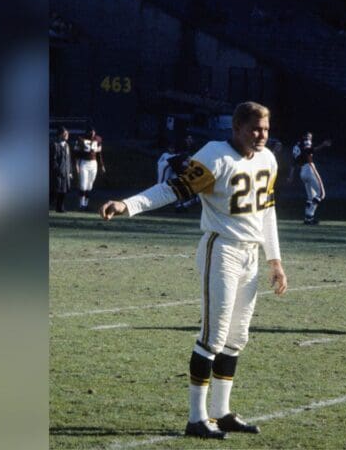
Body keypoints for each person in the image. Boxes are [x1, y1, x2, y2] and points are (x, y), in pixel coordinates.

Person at [99, 101, 288, 440]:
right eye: (255, 129)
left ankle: (221, 411)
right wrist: (128, 205)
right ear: (237, 129)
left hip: (250, 255)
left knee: (236, 338)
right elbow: (172, 189)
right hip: (223, 249)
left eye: (266, 129)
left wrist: (274, 259)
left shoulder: (268, 159)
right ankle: (196, 418)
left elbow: (267, 212)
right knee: (213, 337)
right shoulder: (215, 155)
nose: (262, 135)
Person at [289, 132, 332, 225]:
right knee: (321, 194)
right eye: (309, 137)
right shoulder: (306, 141)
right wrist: (323, 145)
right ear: (304, 136)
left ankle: (308, 219)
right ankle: (309, 215)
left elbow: (293, 162)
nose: (310, 139)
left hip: (302, 171)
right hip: (309, 168)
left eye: (311, 137)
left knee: (310, 197)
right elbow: (309, 151)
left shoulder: (296, 146)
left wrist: (291, 176)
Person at [75, 127, 106, 211]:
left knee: (90, 185)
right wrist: (76, 164)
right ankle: (81, 204)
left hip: (93, 163)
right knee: (83, 184)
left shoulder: (98, 139)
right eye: (90, 131)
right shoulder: (81, 139)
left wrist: (102, 165)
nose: (92, 133)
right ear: (87, 132)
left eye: (93, 131)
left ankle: (86, 204)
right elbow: (76, 153)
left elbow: (99, 154)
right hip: (84, 163)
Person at [51, 127, 72, 213]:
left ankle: (60, 207)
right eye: (65, 134)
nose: (67, 135)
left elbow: (69, 160)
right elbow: (53, 159)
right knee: (55, 191)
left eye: (67, 134)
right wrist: (57, 170)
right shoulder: (55, 145)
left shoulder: (67, 145)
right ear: (60, 135)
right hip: (58, 173)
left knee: (64, 190)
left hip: (66, 172)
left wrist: (70, 171)